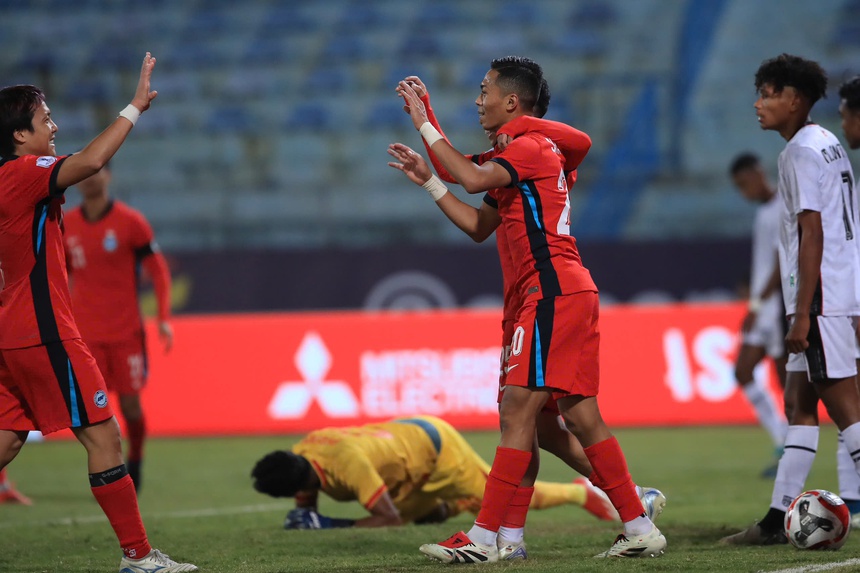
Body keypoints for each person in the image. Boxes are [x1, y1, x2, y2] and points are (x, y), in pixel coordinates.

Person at [392, 56, 666, 561]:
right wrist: (429, 182)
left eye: (484, 91)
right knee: (566, 418)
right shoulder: (522, 153)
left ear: (512, 102)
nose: (478, 101)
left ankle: (484, 538)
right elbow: (479, 226)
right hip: (548, 293)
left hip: (551, 290)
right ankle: (631, 525)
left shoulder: (532, 147)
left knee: (518, 408)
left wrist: (427, 122)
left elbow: (471, 179)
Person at [0, 54, 197, 572]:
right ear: (20, 135)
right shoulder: (23, 173)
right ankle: (138, 557)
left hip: (13, 331)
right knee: (105, 436)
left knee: (6, 439)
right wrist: (134, 107)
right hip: (45, 332)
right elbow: (87, 162)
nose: (54, 126)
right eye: (45, 120)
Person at [722, 54, 860, 546]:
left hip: (820, 297)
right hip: (839, 292)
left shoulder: (800, 152)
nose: (758, 103)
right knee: (798, 403)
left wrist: (802, 311)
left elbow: (812, 231)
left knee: (847, 412)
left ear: (795, 100)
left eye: (768, 93)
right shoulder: (828, 143)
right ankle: (776, 520)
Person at [251, 416, 620, 529]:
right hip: (406, 460)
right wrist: (306, 514)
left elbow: (389, 520)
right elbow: (306, 493)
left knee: (503, 503)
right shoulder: (302, 453)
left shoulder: (350, 467)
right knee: (427, 518)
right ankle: (448, 506)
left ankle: (580, 492)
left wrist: (327, 524)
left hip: (437, 451)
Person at [64, 163, 173, 492]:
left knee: (130, 406)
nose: (90, 180)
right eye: (83, 175)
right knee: (94, 409)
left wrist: (164, 318)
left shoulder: (130, 222)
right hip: (85, 337)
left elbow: (159, 271)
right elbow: (56, 276)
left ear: (108, 176)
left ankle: (136, 457)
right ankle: (111, 470)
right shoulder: (65, 225)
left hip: (126, 334)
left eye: (96, 172)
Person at [729, 152, 788, 477]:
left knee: (784, 382)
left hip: (776, 308)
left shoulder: (781, 207)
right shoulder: (764, 211)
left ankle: (792, 450)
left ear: (756, 173)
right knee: (742, 371)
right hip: (763, 306)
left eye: (743, 184)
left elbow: (781, 264)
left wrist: (755, 304)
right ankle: (782, 439)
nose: (743, 192)